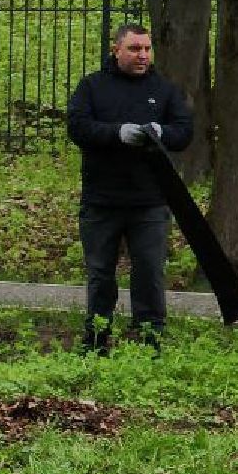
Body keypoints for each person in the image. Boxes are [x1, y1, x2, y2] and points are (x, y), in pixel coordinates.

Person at [65, 23, 193, 351]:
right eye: (135, 48)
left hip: (149, 201)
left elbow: (183, 132)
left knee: (149, 272)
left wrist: (160, 132)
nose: (143, 55)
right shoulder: (92, 86)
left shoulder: (164, 90)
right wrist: (117, 133)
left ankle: (150, 340)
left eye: (147, 49)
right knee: (100, 274)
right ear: (117, 50)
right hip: (102, 200)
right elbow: (78, 127)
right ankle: (96, 339)